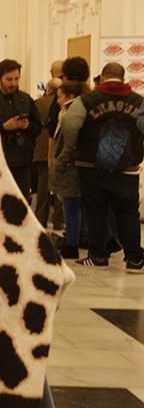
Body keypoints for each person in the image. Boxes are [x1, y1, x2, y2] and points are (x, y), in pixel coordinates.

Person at [58, 62, 144, 271]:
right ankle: (135, 258)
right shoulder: (139, 101)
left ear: (103, 78)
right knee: (128, 212)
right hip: (127, 169)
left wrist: (70, 150)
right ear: (123, 79)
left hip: (90, 165)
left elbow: (71, 125)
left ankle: (98, 257)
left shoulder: (86, 101)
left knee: (95, 210)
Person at [0, 59, 41, 198]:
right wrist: (3, 127)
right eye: (9, 79)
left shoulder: (25, 99)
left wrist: (27, 125)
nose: (13, 83)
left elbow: (38, 128)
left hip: (22, 164)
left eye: (16, 79)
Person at [50, 82, 83, 258]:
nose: (57, 100)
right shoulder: (68, 112)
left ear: (69, 96)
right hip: (70, 165)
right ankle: (71, 240)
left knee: (71, 206)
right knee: (70, 206)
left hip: (69, 167)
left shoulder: (70, 114)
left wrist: (60, 162)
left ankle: (72, 243)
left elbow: (68, 143)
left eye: (60, 96)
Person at [34, 78, 63, 229]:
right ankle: (59, 222)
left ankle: (40, 220)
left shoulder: (38, 103)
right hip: (58, 150)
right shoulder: (64, 103)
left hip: (40, 151)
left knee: (42, 189)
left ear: (49, 89)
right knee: (59, 189)